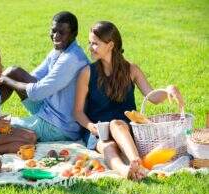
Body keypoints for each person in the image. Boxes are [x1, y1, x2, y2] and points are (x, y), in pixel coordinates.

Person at [73, 21, 184, 180]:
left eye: (95, 44)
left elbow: (153, 97)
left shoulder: (131, 69)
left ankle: (135, 162)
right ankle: (126, 171)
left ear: (110, 45)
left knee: (116, 124)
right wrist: (92, 127)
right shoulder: (87, 73)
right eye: (89, 43)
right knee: (108, 147)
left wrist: (169, 90)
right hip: (98, 131)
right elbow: (77, 112)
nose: (90, 48)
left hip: (125, 129)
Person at [0, 11, 89, 142]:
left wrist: (6, 81)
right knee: (14, 72)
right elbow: (35, 77)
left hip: (60, 126)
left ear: (74, 34)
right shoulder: (59, 50)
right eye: (53, 30)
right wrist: (9, 78)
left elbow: (37, 92)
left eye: (62, 33)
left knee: (1, 125)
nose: (56, 36)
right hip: (48, 108)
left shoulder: (72, 59)